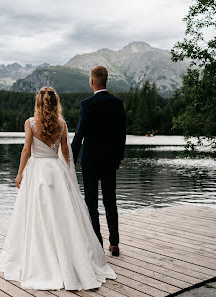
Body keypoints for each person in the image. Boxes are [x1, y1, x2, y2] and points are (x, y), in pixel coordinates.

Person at [0, 87, 116, 291]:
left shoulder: (30, 123)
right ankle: (67, 257)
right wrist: (68, 173)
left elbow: (26, 149)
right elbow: (66, 151)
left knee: (38, 214)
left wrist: (19, 174)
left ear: (39, 104)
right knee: (62, 216)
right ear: (55, 103)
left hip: (37, 172)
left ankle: (41, 257)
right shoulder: (61, 124)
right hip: (55, 170)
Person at [71, 66, 126, 256]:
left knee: (91, 204)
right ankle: (115, 243)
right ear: (106, 80)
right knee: (110, 202)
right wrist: (118, 158)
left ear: (92, 81)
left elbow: (79, 134)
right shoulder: (117, 103)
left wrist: (70, 159)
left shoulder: (87, 104)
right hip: (110, 161)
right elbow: (121, 135)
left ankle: (98, 243)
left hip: (90, 162)